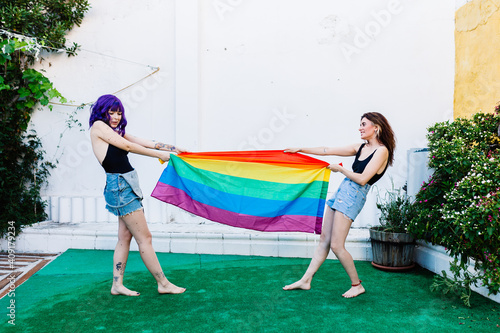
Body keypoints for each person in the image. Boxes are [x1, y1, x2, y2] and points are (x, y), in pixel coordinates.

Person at [283, 112, 395, 298]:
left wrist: (341, 169)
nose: (360, 128)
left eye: (363, 124)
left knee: (336, 245)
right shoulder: (360, 147)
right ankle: (306, 280)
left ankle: (357, 285)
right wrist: (300, 149)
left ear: (376, 127)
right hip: (342, 192)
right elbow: (327, 149)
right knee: (324, 240)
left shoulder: (382, 151)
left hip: (354, 196)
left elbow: (363, 179)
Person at [89, 94, 186, 296]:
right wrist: (160, 155)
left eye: (119, 112)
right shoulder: (99, 126)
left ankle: (117, 284)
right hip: (120, 187)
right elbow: (128, 147)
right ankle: (163, 283)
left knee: (125, 238)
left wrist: (175, 149)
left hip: (126, 185)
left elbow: (145, 142)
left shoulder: (115, 132)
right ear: (102, 112)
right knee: (145, 238)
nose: (115, 116)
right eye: (111, 112)